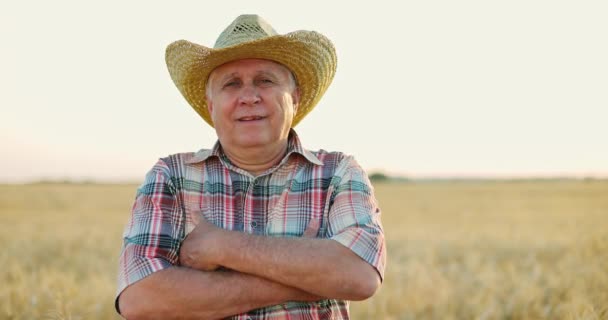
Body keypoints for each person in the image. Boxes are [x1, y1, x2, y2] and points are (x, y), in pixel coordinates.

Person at [116, 14, 386, 319]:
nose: (249, 97)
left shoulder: (337, 173)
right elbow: (140, 299)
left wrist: (221, 246)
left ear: (294, 99)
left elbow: (360, 274)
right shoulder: (171, 176)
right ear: (211, 106)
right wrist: (308, 275)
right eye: (232, 84)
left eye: (265, 80)